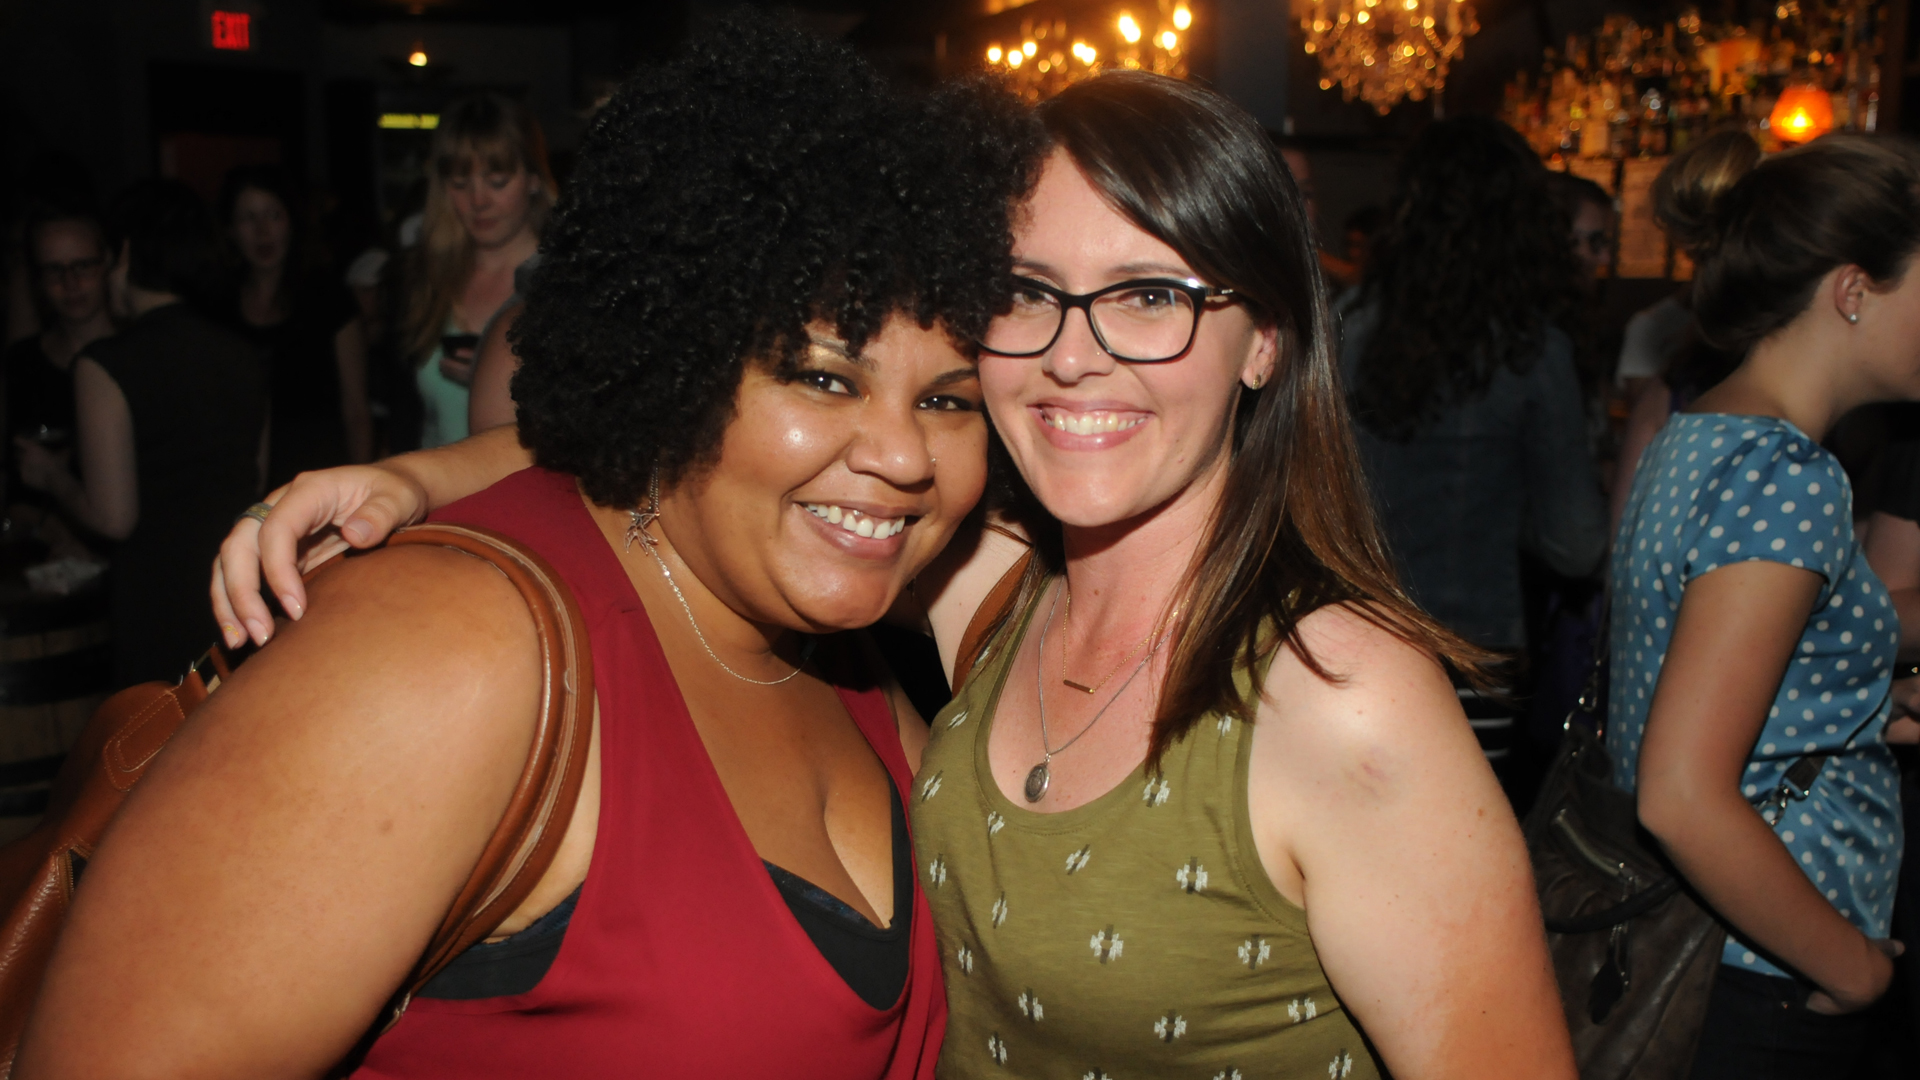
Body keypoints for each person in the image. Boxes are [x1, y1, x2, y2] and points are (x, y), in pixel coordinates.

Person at [212, 73, 1576, 1078]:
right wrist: (415, 478)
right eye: (1027, 292)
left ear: (1265, 340)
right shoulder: (997, 588)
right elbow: (705, 443)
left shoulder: (1341, 697)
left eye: (1151, 296)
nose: (1076, 354)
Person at [18, 20, 1033, 1078]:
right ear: (679, 360)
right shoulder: (448, 655)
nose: (904, 456)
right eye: (823, 378)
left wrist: (427, 469)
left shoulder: (844, 645)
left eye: (949, 400)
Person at [1609, 134, 1920, 1079]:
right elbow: (1681, 793)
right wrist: (1856, 970)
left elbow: (1699, 678)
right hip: (1766, 967)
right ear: (1853, 289)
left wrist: (1868, 706)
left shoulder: (1706, 432)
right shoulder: (1786, 474)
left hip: (1723, 949)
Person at [1342, 118, 1607, 658]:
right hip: (1471, 642)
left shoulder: (1342, 324)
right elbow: (1575, 545)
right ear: (1527, 224)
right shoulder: (1532, 351)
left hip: (1346, 633)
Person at [9, 180, 264, 687]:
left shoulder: (106, 363)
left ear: (123, 255)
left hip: (155, 602)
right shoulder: (244, 351)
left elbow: (114, 518)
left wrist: (52, 477)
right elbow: (255, 480)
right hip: (235, 590)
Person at [401, 93, 552, 450]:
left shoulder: (566, 285)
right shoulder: (426, 278)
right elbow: (403, 417)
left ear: (533, 178)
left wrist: (495, 388)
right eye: (459, 182)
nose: (479, 201)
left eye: (497, 181)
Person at [218, 165, 373, 485]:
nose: (262, 231)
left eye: (273, 215)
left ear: (292, 221)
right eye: (248, 218)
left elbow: (356, 411)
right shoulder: (217, 306)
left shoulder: (330, 300)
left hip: (318, 479)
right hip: (237, 484)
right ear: (230, 229)